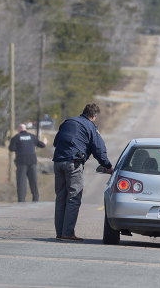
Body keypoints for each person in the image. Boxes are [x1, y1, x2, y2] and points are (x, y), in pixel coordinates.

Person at [52, 103, 113, 241]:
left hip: (58, 162)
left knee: (61, 198)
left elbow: (56, 142)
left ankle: (60, 232)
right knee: (73, 198)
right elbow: (99, 149)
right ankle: (67, 233)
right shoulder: (90, 126)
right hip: (73, 164)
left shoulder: (68, 122)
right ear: (94, 116)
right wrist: (107, 166)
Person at [8, 124, 47, 202]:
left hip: (21, 162)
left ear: (18, 129)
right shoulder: (32, 136)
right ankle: (36, 199)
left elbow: (11, 149)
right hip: (32, 161)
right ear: (25, 128)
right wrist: (45, 142)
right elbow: (42, 145)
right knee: (33, 182)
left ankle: (21, 201)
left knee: (21, 182)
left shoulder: (16, 137)